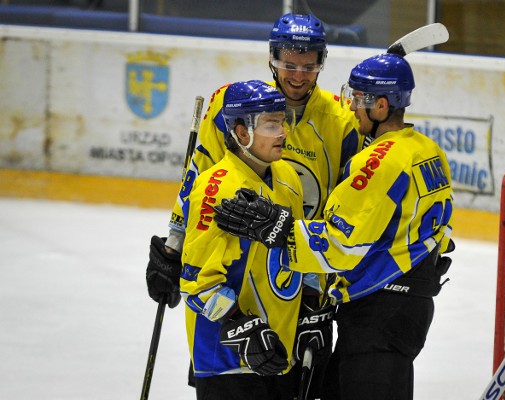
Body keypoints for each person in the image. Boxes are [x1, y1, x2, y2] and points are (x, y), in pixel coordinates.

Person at [214, 52, 455, 400]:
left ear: (382, 106)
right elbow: (440, 235)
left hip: (380, 310)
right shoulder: (426, 149)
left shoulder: (378, 162)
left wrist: (278, 227)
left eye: (358, 99)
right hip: (409, 306)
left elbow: (341, 246)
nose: (352, 107)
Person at [145, 12, 362, 397]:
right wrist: (175, 246)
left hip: (298, 282)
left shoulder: (340, 123)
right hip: (236, 281)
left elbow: (345, 211)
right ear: (272, 59)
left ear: (321, 64)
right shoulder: (234, 105)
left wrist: (318, 298)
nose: (298, 76)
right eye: (288, 65)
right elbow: (198, 180)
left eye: (309, 67)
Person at [179, 79, 306, 400]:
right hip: (227, 362)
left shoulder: (288, 177)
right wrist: (238, 323)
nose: (282, 132)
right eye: (270, 124)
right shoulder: (216, 187)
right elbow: (195, 283)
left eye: (282, 121)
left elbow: (296, 255)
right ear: (241, 132)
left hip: (278, 353)